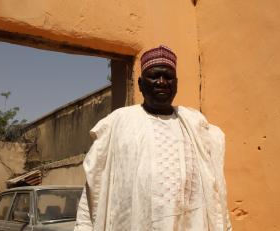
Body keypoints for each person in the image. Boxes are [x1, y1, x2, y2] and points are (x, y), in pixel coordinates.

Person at [74, 45, 232, 231]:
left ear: (177, 84)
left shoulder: (195, 124)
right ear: (140, 84)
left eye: (168, 77)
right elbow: (95, 183)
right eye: (154, 76)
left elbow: (215, 186)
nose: (162, 82)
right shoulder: (118, 122)